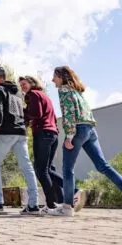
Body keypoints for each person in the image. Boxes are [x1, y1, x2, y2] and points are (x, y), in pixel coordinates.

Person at [50, 66, 122, 216]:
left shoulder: (63, 90)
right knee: (103, 166)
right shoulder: (77, 92)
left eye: (55, 77)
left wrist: (69, 136)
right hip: (90, 129)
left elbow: (69, 113)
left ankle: (67, 207)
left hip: (76, 130)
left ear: (62, 77)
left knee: (67, 169)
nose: (53, 80)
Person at [0, 67, 40, 215]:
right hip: (21, 133)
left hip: (6, 133)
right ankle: (33, 205)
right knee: (27, 167)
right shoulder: (18, 93)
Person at [19, 76, 64, 213]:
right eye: (21, 85)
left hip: (43, 134)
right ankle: (65, 197)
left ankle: (51, 204)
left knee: (41, 170)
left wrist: (23, 111)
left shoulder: (32, 94)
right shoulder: (45, 96)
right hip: (53, 134)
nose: (22, 87)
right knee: (48, 169)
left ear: (31, 83)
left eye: (24, 84)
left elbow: (36, 114)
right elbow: (53, 117)